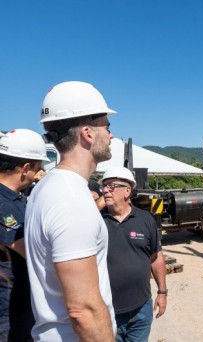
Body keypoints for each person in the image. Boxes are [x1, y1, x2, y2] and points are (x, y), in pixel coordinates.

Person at [24, 81, 118, 341]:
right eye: (107, 127)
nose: (111, 135)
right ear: (87, 133)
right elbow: (83, 311)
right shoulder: (71, 200)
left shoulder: (47, 188)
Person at [100, 166, 167, 342]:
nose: (105, 190)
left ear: (127, 191)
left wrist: (162, 292)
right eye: (104, 186)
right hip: (108, 310)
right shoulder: (96, 220)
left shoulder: (145, 219)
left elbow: (156, 256)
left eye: (111, 186)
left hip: (141, 308)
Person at [0, 129, 49, 342]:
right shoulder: (4, 205)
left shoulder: (17, 199)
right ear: (26, 168)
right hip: (9, 310)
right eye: (39, 168)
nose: (40, 173)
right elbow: (30, 252)